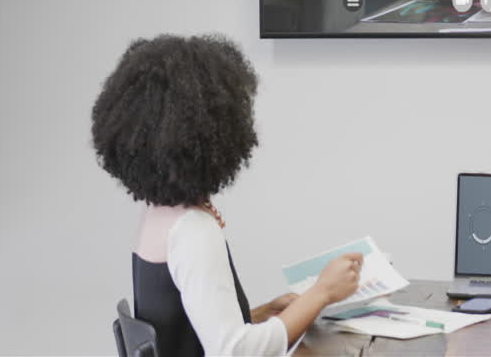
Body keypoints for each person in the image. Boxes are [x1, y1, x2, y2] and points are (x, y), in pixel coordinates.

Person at [91, 34, 362, 355]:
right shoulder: (192, 229)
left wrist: (260, 315)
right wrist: (323, 292)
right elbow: (234, 351)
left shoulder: (157, 216)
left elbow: (182, 332)